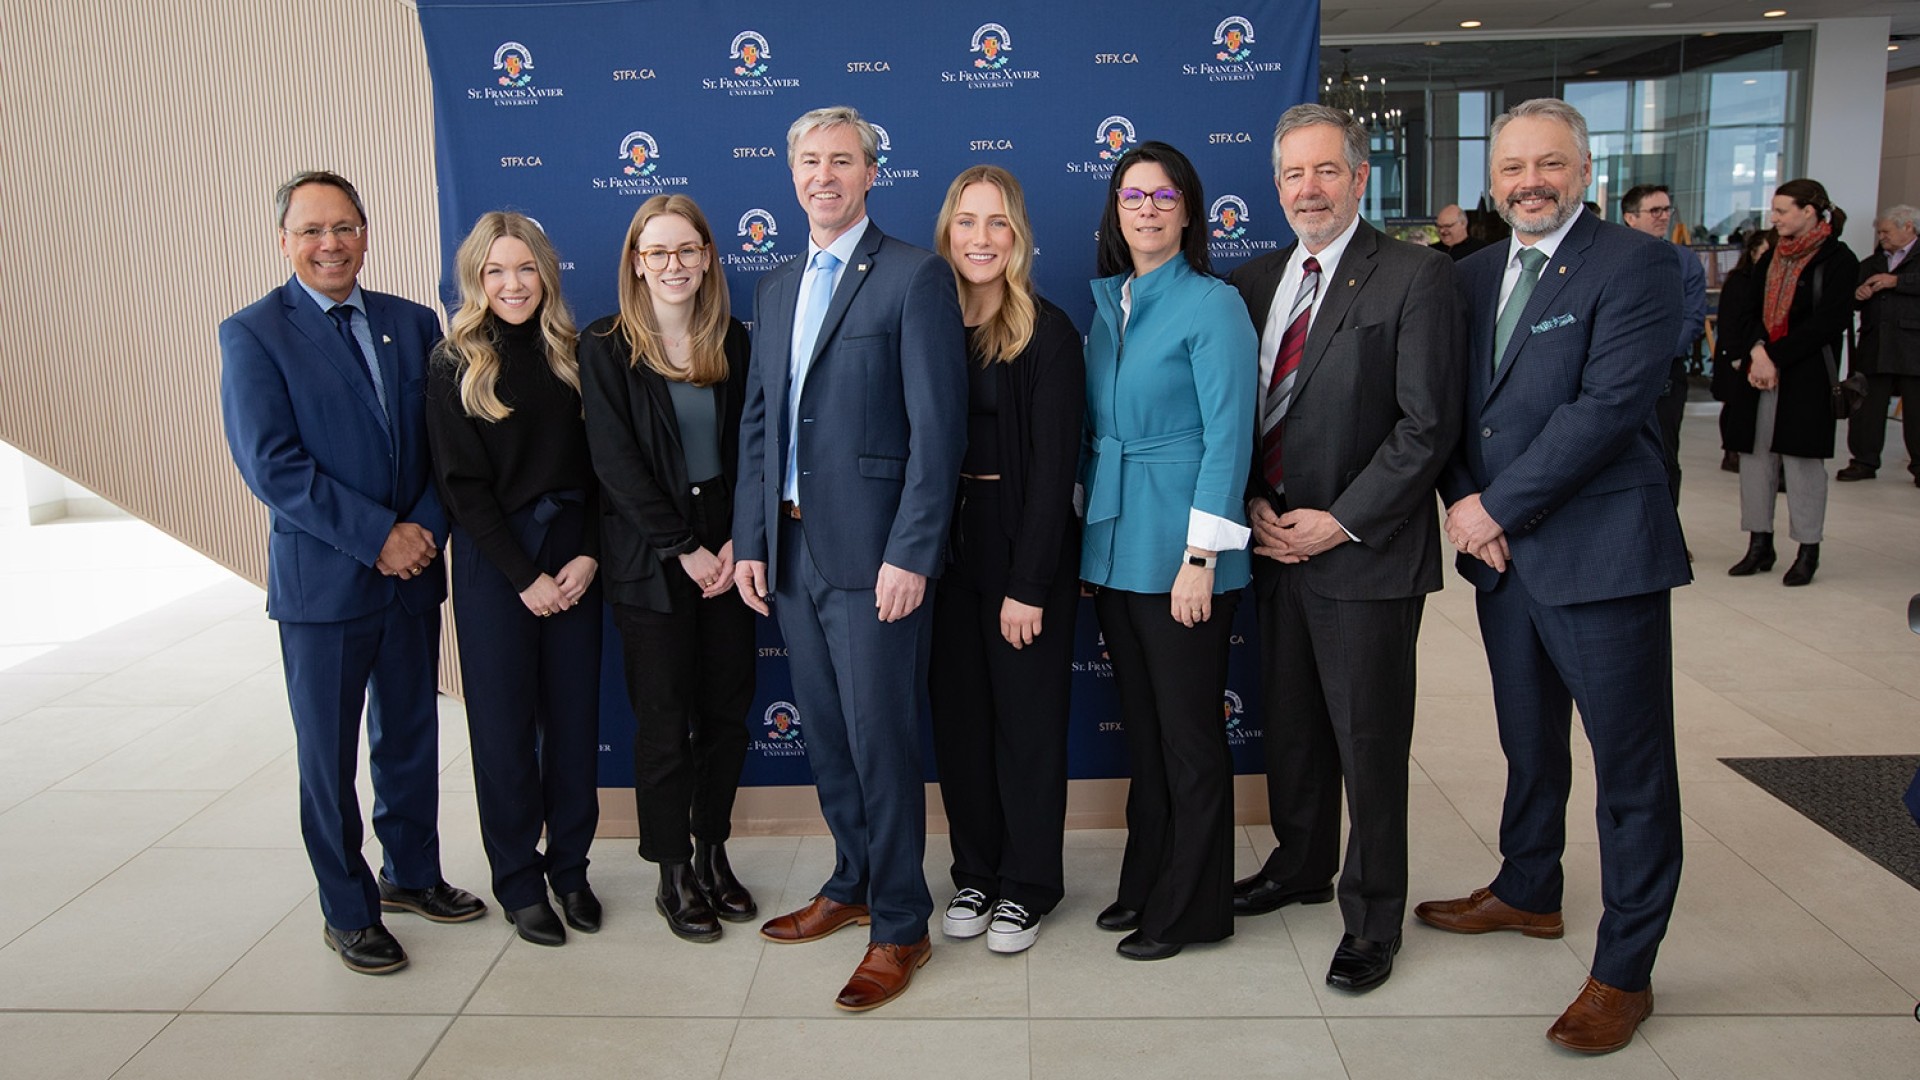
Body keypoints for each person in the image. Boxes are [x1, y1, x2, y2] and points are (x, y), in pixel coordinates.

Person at [1419, 99, 1689, 1055]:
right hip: (1504, 561)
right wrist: (1465, 502)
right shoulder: (1472, 273)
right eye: (1512, 167)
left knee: (1631, 772)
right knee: (1529, 743)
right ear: (1492, 180)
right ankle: (1530, 888)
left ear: (1585, 171)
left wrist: (1494, 508)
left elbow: (1607, 409)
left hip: (1601, 555)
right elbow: (1450, 409)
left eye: (1549, 164)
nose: (1529, 181)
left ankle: (1625, 969)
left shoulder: (1643, 264)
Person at [219, 170, 485, 976]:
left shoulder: (412, 323)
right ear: (284, 241)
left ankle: (411, 874)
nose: (329, 244)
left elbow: (449, 449)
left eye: (343, 227)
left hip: (410, 577)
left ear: (365, 233)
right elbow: (272, 466)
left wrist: (422, 532)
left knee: (407, 736)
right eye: (311, 231)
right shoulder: (253, 333)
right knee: (327, 758)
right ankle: (347, 908)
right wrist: (379, 538)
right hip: (325, 586)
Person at [730, 105, 966, 1011]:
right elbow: (760, 423)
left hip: (876, 561)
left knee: (881, 740)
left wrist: (913, 552)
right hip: (791, 550)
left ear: (872, 173)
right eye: (809, 162)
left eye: (842, 161)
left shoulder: (914, 278)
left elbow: (936, 434)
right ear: (790, 174)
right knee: (827, 737)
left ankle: (902, 924)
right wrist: (753, 541)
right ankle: (853, 880)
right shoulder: (777, 284)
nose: (823, 176)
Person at [1225, 105, 1465, 993]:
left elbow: (1425, 425)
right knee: (1290, 730)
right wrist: (1253, 502)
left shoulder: (1413, 276)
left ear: (1360, 178)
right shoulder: (1255, 283)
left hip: (1362, 553)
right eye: (1293, 174)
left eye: (1327, 171)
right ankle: (1298, 867)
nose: (1309, 189)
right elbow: (1240, 414)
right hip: (1275, 547)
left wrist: (1340, 519)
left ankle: (1372, 918)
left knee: (1367, 742)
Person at [1080, 141, 1256, 962]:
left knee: (1188, 738)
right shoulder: (1108, 302)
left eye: (1162, 194)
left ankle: (1194, 907)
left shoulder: (1213, 304)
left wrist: (1201, 558)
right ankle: (1147, 880)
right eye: (1131, 195)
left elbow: (1228, 439)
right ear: (1116, 212)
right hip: (1115, 547)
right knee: (1144, 736)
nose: (1146, 208)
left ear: (1188, 209)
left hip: (1183, 551)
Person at [580, 195, 758, 943]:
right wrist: (683, 547)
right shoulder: (606, 344)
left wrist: (732, 543)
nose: (674, 265)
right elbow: (615, 465)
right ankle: (672, 871)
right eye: (658, 252)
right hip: (653, 559)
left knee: (725, 717)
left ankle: (714, 853)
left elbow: (755, 447)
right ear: (636, 262)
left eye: (688, 249)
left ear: (710, 256)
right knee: (661, 723)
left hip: (727, 552)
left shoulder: (735, 340)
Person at [424, 212, 602, 948]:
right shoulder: (452, 362)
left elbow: (603, 471)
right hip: (499, 566)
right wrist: (524, 576)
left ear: (546, 274)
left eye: (525, 269)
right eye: (496, 271)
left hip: (576, 562)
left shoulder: (580, 353)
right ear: (476, 279)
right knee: (500, 732)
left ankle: (569, 869)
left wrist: (588, 554)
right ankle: (518, 881)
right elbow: (461, 488)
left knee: (573, 726)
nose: (512, 284)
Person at [926, 166, 1085, 955]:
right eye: (966, 222)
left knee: (1026, 725)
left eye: (996, 223)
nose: (980, 239)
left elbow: (1056, 470)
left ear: (1017, 236)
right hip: (941, 546)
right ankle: (975, 873)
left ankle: (1028, 884)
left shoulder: (1045, 330)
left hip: (1023, 543)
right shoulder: (925, 322)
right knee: (960, 725)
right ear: (947, 233)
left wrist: (1027, 585)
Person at [1722, 180, 1858, 586]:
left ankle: (1807, 550)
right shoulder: (1771, 258)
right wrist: (1758, 352)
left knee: (1802, 466)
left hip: (1806, 376)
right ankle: (1759, 544)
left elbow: (1829, 323)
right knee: (1756, 460)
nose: (1775, 218)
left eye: (1782, 211)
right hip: (1760, 371)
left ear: (1810, 212)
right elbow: (1748, 311)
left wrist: (1773, 357)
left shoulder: (1838, 259)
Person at [1621, 184, 1707, 510]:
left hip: (1666, 375)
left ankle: (1668, 536)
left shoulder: (1684, 261)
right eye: (1654, 210)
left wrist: (1651, 357)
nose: (1663, 217)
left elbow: (1693, 319)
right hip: (1618, 373)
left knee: (1665, 453)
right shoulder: (1612, 258)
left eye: (1666, 209)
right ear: (1630, 217)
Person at [1839, 206, 1920, 485]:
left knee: (1917, 409)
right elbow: (1850, 299)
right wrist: (1858, 295)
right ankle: (1863, 461)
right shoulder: (1872, 262)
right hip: (1876, 342)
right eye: (1880, 231)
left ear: (1908, 227)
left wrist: (1897, 281)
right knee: (1867, 406)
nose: (1882, 236)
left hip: (1914, 345)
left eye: (1887, 231)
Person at [1712, 230, 1776, 467]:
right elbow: (1728, 320)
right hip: (1736, 351)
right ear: (1752, 253)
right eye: (1763, 253)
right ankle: (1730, 451)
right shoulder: (1739, 280)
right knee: (1732, 402)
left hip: (1758, 352)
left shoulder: (1774, 281)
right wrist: (1736, 354)